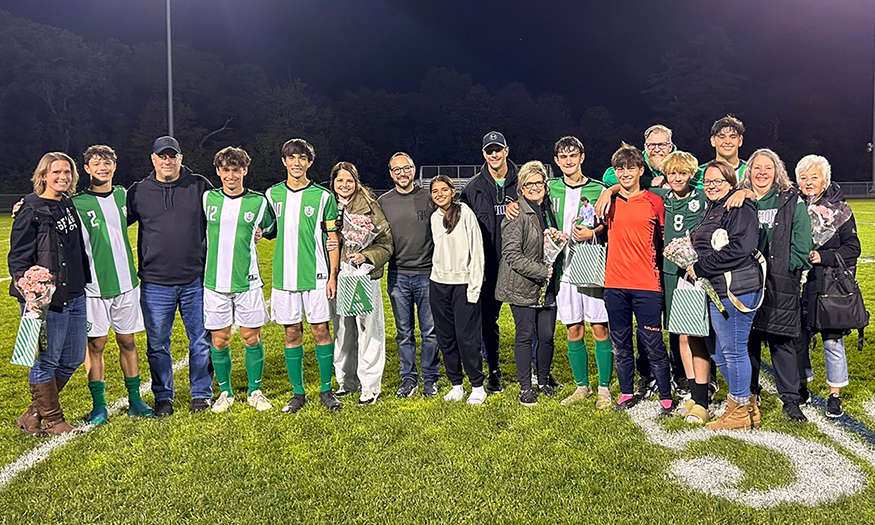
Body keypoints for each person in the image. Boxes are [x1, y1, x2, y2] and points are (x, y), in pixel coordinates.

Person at [128, 136, 214, 415]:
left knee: (201, 341)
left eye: (172, 156)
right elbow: (110, 219)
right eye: (162, 156)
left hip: (194, 279)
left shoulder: (199, 185)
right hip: (155, 282)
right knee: (157, 345)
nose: (167, 161)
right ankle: (163, 396)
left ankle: (201, 394)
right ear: (153, 159)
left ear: (181, 158)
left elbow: (226, 210)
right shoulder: (139, 191)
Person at [9, 152, 90, 435]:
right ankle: (54, 421)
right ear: (43, 175)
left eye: (67, 172)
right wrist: (31, 290)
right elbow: (18, 258)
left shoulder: (66, 203)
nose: (62, 177)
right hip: (48, 300)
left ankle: (32, 414)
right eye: (56, 172)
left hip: (76, 292)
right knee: (46, 359)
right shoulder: (30, 208)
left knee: (73, 357)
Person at [73, 145, 153, 424]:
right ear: (87, 169)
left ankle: (135, 400)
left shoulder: (123, 195)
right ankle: (99, 406)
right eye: (96, 163)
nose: (102, 168)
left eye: (107, 163)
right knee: (96, 345)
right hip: (92, 288)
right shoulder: (77, 203)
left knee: (128, 342)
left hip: (127, 284)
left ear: (115, 166)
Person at [265, 138, 343, 413]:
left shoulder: (323, 197)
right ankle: (297, 393)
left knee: (321, 329)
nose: (296, 163)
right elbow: (266, 228)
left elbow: (332, 237)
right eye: (291, 158)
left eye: (302, 159)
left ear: (309, 163)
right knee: (291, 332)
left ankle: (325, 389)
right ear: (284, 161)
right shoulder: (272, 195)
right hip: (284, 278)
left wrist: (333, 275)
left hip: (318, 275)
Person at [600, 144, 674, 416]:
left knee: (653, 343)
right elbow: (596, 226)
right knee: (620, 343)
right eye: (620, 168)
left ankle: (666, 395)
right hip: (615, 285)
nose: (626, 173)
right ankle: (627, 392)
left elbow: (666, 236)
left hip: (646, 285)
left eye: (631, 167)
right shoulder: (610, 200)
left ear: (641, 170)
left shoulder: (654, 201)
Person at [739, 148, 813, 423]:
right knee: (750, 341)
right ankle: (750, 394)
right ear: (749, 172)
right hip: (746, 281)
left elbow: (803, 242)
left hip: (780, 282)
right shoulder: (742, 199)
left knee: (782, 341)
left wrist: (788, 269)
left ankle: (791, 400)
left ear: (777, 171)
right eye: (756, 167)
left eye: (767, 168)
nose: (761, 173)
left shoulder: (790, 200)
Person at [688, 161, 763, 429]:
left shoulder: (739, 205)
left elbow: (741, 248)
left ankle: (740, 411)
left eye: (718, 181)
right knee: (719, 350)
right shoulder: (714, 208)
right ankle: (747, 404)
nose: (711, 186)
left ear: (731, 183)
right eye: (707, 181)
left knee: (733, 350)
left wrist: (699, 266)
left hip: (737, 289)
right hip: (718, 288)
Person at [202, 147, 276, 413]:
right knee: (219, 339)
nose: (230, 175)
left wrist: (259, 233)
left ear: (245, 170)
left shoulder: (258, 202)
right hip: (215, 282)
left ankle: (255, 390)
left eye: (236, 169)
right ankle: (226, 392)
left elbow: (270, 228)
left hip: (248, 281)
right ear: (218, 172)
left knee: (250, 337)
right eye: (225, 170)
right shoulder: (208, 198)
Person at [545, 137, 613, 408]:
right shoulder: (551, 188)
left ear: (582, 157)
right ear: (557, 161)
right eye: (563, 157)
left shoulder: (599, 189)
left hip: (591, 263)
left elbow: (609, 224)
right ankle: (582, 386)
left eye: (573, 155)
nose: (568, 161)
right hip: (564, 269)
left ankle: (605, 389)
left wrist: (593, 231)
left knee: (599, 327)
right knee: (573, 328)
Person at [795, 155, 859, 418]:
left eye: (814, 177)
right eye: (803, 177)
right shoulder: (792, 205)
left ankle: (835, 395)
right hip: (799, 283)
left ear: (825, 179)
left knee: (832, 341)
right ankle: (802, 386)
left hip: (829, 284)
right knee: (798, 338)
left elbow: (853, 248)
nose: (808, 182)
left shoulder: (840, 210)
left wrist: (823, 256)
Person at [495, 161, 560, 406]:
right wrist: (542, 271)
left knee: (547, 335)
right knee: (525, 335)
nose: (534, 187)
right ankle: (525, 387)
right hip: (523, 284)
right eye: (528, 184)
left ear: (545, 184)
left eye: (538, 182)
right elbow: (511, 255)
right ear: (520, 189)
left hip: (547, 285)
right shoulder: (516, 213)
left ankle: (543, 380)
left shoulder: (549, 209)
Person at [329, 161, 393, 405]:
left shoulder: (369, 207)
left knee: (369, 330)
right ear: (333, 183)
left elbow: (386, 243)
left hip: (364, 276)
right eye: (340, 181)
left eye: (349, 181)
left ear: (356, 182)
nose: (344, 185)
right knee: (343, 331)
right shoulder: (328, 205)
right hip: (337, 277)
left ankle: (370, 385)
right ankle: (346, 381)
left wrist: (365, 256)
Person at [378, 152, 440, 399]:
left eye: (406, 168)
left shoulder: (429, 197)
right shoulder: (383, 202)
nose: (402, 173)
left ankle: (430, 377)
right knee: (404, 331)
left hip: (427, 273)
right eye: (396, 169)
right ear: (390, 173)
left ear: (414, 169)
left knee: (430, 330)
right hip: (398, 274)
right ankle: (408, 377)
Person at [461, 131, 519, 393]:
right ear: (484, 154)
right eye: (489, 151)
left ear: (506, 150)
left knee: (527, 321)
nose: (494, 155)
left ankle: (537, 372)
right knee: (487, 321)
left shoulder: (524, 183)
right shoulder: (472, 188)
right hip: (487, 266)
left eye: (498, 149)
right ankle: (493, 370)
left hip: (519, 266)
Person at [429, 175, 486, 404]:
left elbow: (477, 251)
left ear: (453, 191)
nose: (440, 194)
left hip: (463, 285)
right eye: (435, 191)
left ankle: (477, 386)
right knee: (446, 338)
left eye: (444, 189)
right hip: (439, 284)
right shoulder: (434, 218)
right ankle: (456, 384)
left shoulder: (465, 213)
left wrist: (474, 287)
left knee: (467, 339)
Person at [602, 124, 675, 189]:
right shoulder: (637, 159)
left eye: (662, 145)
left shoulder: (681, 160)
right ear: (645, 147)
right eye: (651, 145)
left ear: (670, 147)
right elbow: (608, 177)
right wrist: (648, 181)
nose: (656, 149)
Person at [693, 115, 747, 188]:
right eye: (722, 137)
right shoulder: (699, 173)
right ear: (713, 141)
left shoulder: (751, 171)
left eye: (733, 137)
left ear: (740, 140)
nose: (727, 141)